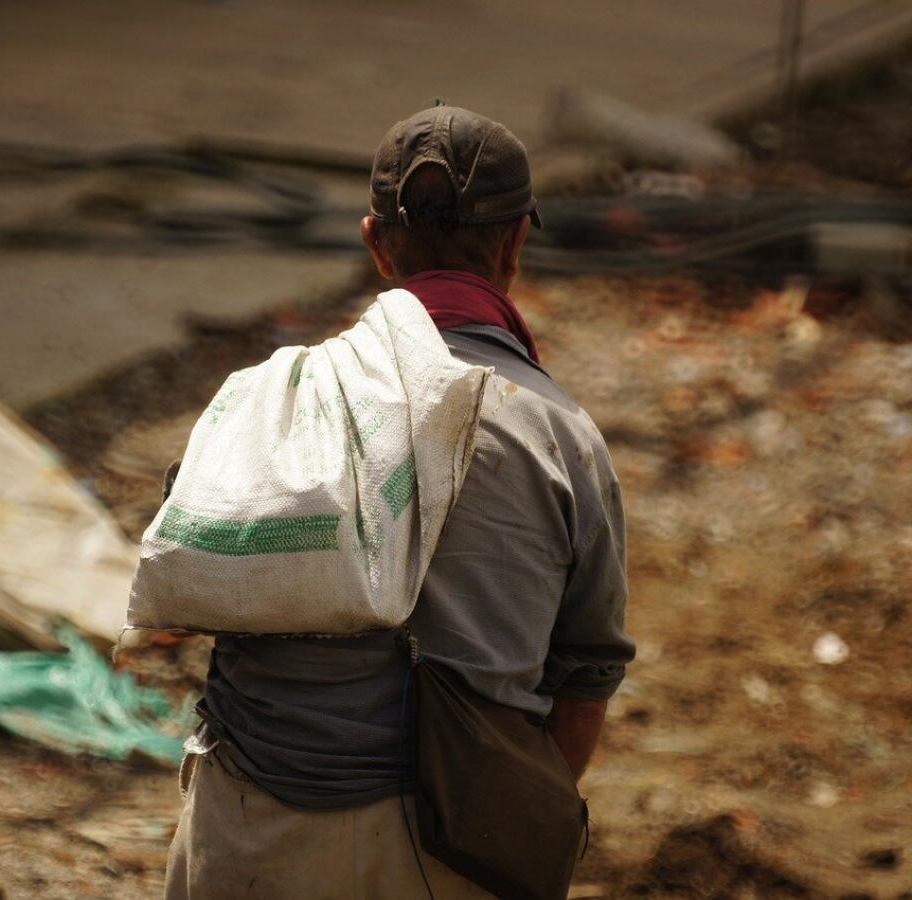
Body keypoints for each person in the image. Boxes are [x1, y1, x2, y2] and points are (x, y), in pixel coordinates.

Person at [164, 103, 635, 900]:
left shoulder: (277, 400)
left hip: (245, 831)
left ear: (377, 245)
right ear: (516, 244)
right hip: (449, 846)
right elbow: (585, 681)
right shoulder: (563, 438)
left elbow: (192, 564)